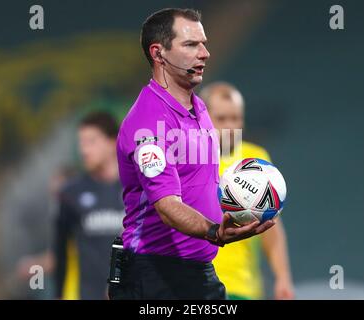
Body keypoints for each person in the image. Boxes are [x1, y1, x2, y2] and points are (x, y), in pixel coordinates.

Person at [114, 8, 275, 300]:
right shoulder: (148, 123)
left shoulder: (199, 109)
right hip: (155, 276)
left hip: (200, 271)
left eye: (204, 43)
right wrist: (214, 232)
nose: (205, 53)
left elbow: (200, 184)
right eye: (191, 45)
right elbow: (167, 206)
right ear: (158, 53)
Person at [200, 82, 295, 300]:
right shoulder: (189, 160)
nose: (230, 126)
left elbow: (272, 226)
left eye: (236, 118)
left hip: (242, 287)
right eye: (222, 119)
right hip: (197, 284)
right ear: (203, 119)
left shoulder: (257, 160)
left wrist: (283, 277)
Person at [54, 111, 124, 299]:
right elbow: (61, 254)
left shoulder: (140, 190)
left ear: (112, 142)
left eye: (91, 142)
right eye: (81, 143)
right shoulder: (71, 194)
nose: (84, 150)